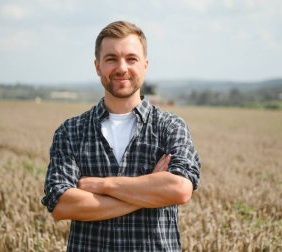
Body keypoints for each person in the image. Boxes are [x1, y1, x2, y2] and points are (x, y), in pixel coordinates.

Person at [41, 20, 200, 252]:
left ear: (145, 65)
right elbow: (61, 205)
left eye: (131, 59)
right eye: (111, 59)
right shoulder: (71, 131)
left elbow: (179, 190)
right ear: (98, 66)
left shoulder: (171, 127)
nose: (122, 68)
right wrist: (148, 193)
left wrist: (100, 185)